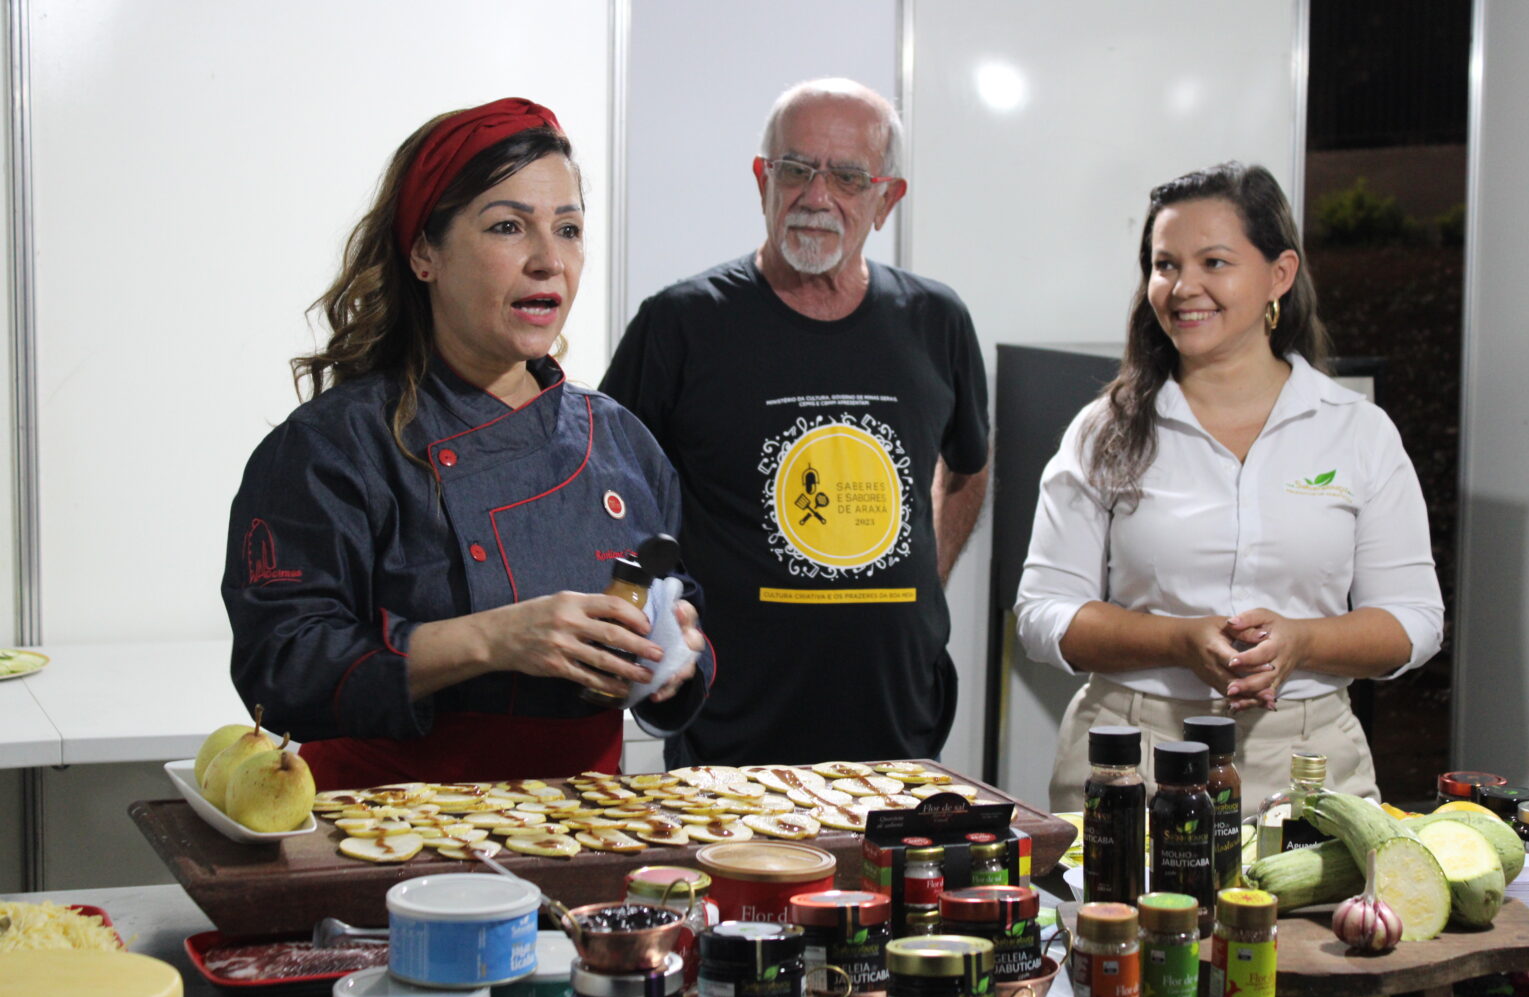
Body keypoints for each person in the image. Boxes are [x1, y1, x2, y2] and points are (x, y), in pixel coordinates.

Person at [222, 98, 712, 790]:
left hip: (585, 832)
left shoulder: (621, 441)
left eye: (568, 229)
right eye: (509, 226)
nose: (549, 261)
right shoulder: (334, 448)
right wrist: (492, 638)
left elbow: (681, 601)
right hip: (383, 835)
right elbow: (282, 665)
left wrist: (673, 655)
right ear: (425, 252)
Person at [1014, 161, 1443, 810]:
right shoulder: (1105, 429)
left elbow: (1415, 619)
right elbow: (1044, 612)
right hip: (1133, 756)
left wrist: (1305, 641)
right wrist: (1178, 640)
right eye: (1165, 265)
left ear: (1280, 274)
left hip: (1310, 762)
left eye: (1214, 262)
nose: (1184, 287)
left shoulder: (1356, 431)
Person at [601, 78, 990, 767]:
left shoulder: (937, 320)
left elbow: (968, 464)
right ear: (762, 178)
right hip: (733, 727)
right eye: (795, 169)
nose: (817, 196)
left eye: (846, 176)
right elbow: (603, 493)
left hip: (898, 720)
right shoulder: (681, 324)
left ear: (886, 198)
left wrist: (929, 574)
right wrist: (644, 627)